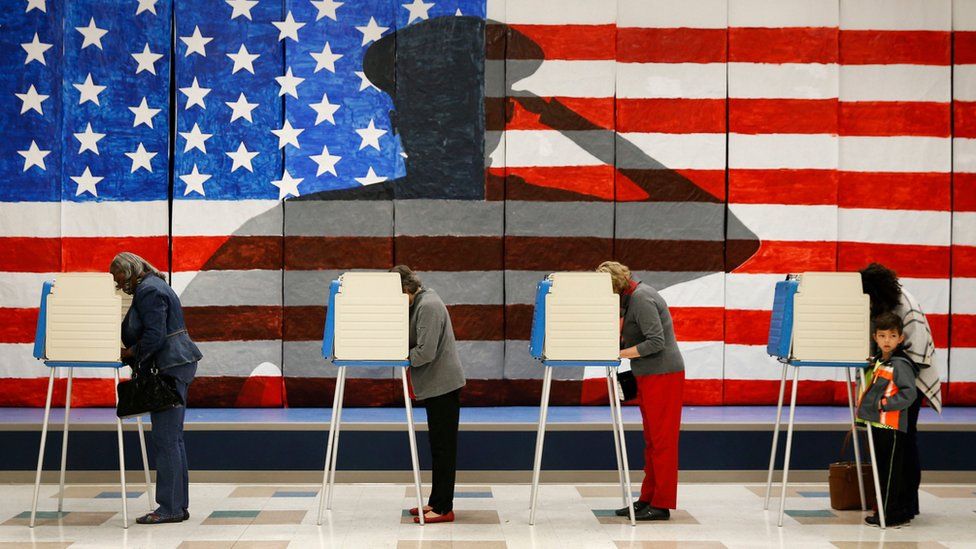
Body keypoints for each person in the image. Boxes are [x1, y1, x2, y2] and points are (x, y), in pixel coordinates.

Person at [111, 252, 203, 525]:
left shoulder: (149, 290)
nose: (119, 286)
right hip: (177, 365)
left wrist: (130, 354)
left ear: (130, 273)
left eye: (120, 280)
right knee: (172, 438)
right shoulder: (156, 285)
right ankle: (177, 505)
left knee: (165, 439)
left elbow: (155, 334)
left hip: (170, 367)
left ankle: (169, 508)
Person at [599, 261, 685, 521]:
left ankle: (662, 503)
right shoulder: (631, 298)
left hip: (663, 375)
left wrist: (619, 354)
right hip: (649, 375)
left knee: (663, 443)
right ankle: (647, 498)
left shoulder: (642, 298)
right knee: (652, 442)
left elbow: (656, 342)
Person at [860, 262, 940, 520]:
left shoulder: (904, 306)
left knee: (900, 449)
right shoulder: (892, 298)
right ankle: (904, 504)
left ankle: (898, 507)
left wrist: (884, 403)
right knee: (903, 447)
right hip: (897, 384)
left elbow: (915, 357)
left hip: (904, 383)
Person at [391, 265, 466, 524]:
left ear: (406, 289)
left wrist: (397, 356)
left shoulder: (428, 306)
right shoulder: (419, 303)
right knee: (438, 447)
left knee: (444, 449)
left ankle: (444, 508)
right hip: (435, 385)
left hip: (443, 385)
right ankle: (436, 501)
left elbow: (425, 352)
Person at [856, 312, 920, 527]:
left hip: (891, 426)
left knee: (891, 471)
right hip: (878, 424)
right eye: (882, 336)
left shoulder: (900, 364)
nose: (887, 341)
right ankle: (884, 510)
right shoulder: (879, 361)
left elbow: (909, 394)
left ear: (900, 338)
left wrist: (884, 404)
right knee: (882, 469)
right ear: (875, 337)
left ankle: (890, 513)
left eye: (892, 336)